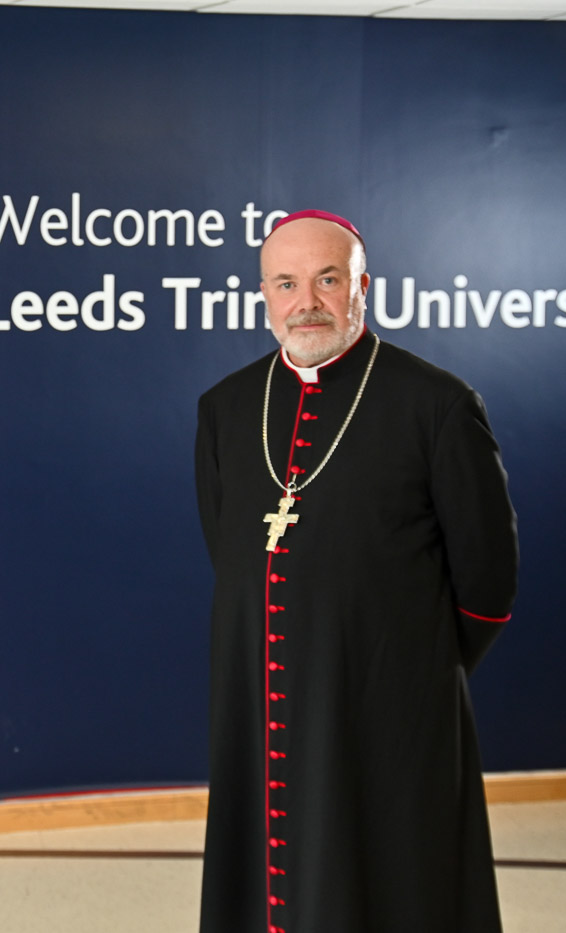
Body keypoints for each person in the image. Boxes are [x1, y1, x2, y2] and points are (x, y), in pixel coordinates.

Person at [194, 210, 517, 933]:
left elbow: (488, 585)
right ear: (264, 296)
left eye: (327, 279)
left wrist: (407, 666)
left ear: (362, 287)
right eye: (286, 283)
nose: (306, 301)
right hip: (263, 703)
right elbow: (235, 558)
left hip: (393, 710)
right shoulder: (225, 409)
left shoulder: (437, 405)